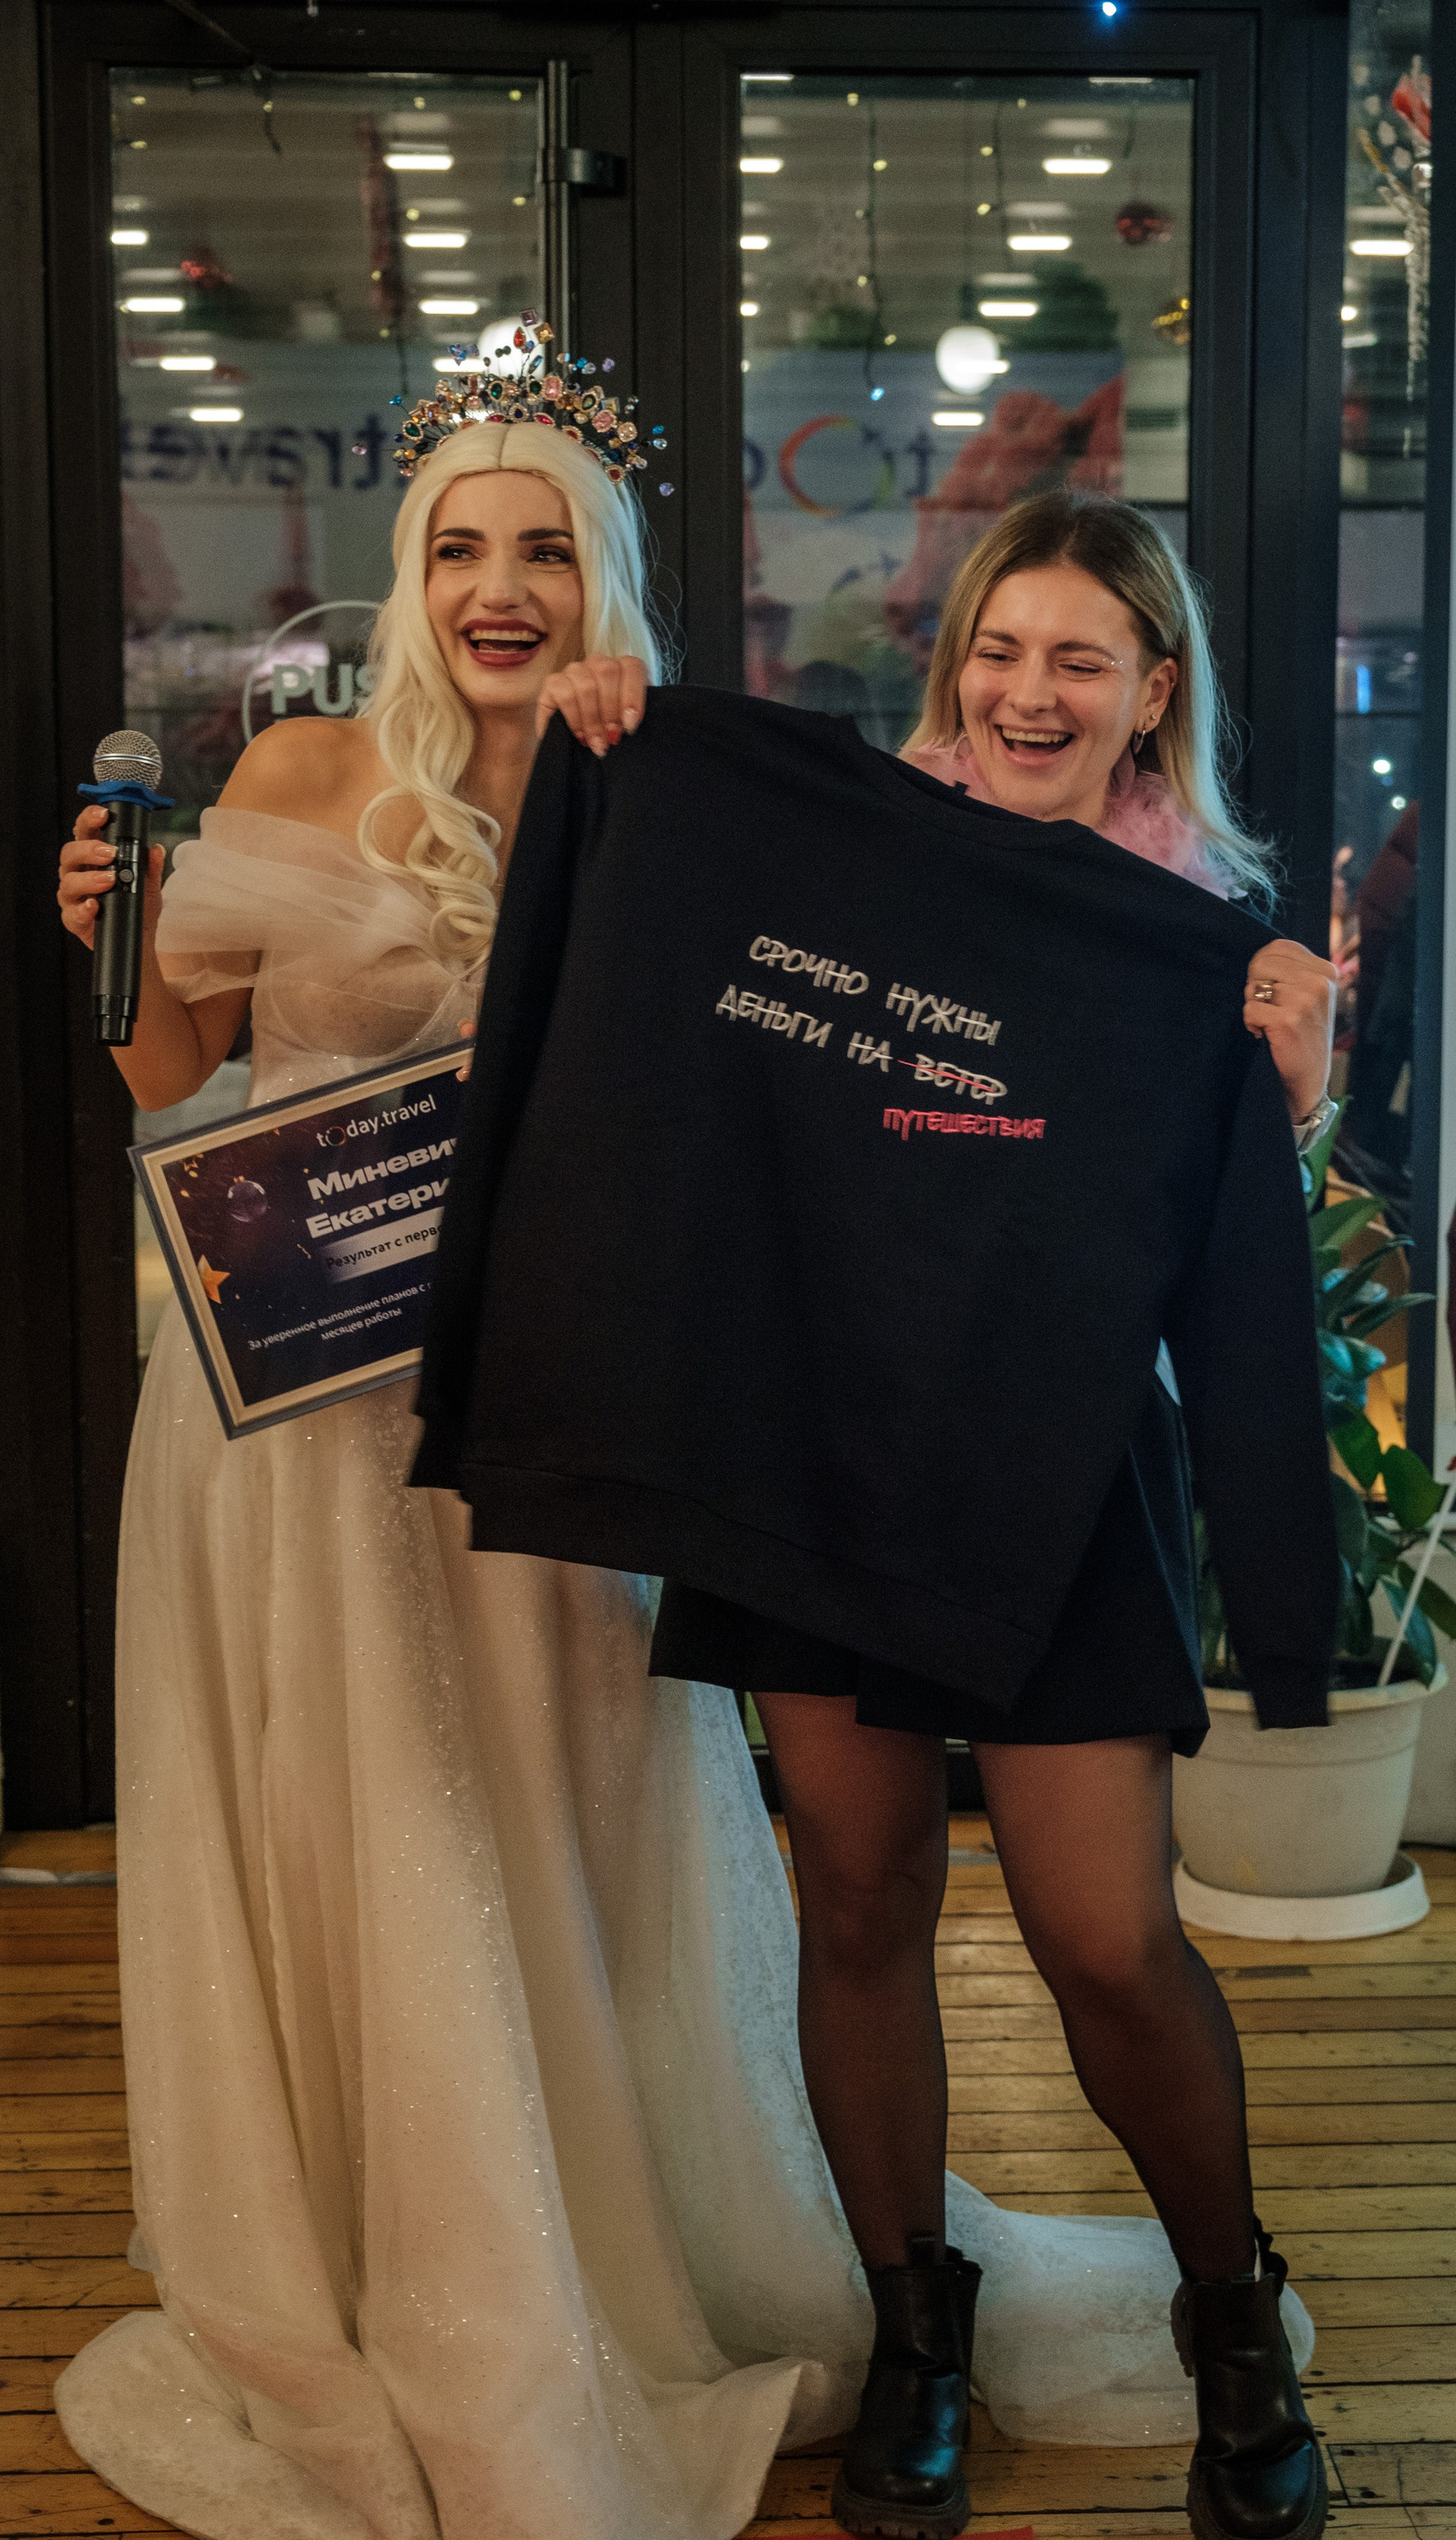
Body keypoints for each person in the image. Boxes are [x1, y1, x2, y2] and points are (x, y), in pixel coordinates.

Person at [51, 409, 874, 2540]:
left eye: (544, 549)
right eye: (457, 550)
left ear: (603, 580)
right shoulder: (302, 772)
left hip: (546, 1430)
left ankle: (588, 2250)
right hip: (302, 1435)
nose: (498, 590)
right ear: (410, 577)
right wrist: (105, 943)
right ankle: (387, 2269)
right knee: (363, 1821)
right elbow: (175, 1075)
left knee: (557, 1821)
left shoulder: (663, 791)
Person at [549, 491, 1339, 2540]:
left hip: (1060, 1470)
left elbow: (1237, 1246)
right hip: (814, 1437)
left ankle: (1232, 2320)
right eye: (1000, 650)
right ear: (953, 667)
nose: (1027, 692)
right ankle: (917, 2332)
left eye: (1080, 659)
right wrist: (626, 739)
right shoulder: (847, 867)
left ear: (1152, 697)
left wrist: (1292, 1088)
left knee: (1107, 1939)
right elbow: (671, 973)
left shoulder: (1194, 947)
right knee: (859, 1896)